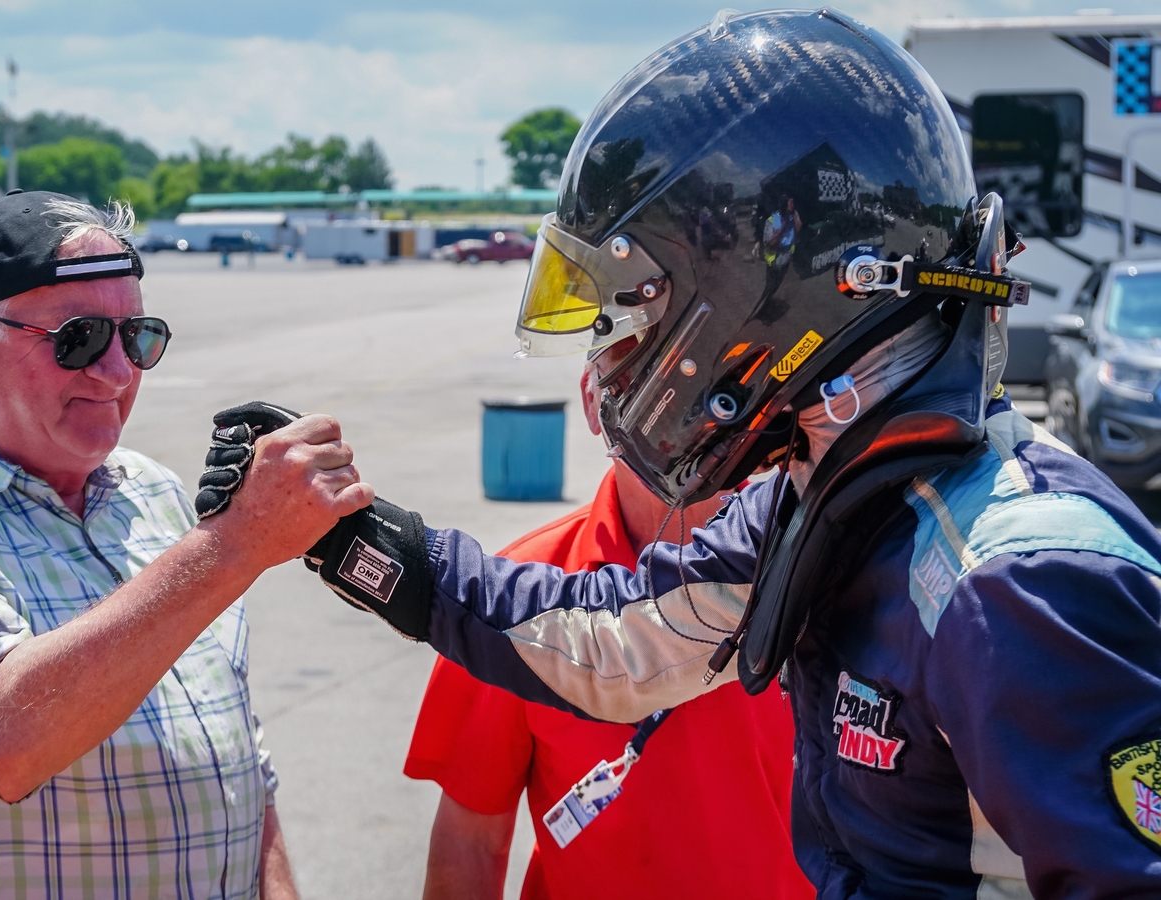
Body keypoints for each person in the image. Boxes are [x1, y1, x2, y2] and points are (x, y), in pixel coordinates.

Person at [225, 11, 1161, 896]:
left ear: (759, 283)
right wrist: (355, 544)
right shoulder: (830, 496)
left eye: (637, 303)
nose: (620, 351)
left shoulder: (1019, 579)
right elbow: (615, 641)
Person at [0, 190, 371, 899]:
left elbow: (238, 766)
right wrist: (234, 544)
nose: (118, 373)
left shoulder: (154, 495)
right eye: (78, 339)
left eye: (137, 337)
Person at [402, 336, 810, 900]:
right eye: (634, 379)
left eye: (693, 379)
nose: (666, 411)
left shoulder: (814, 567)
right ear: (592, 404)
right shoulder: (515, 594)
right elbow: (472, 839)